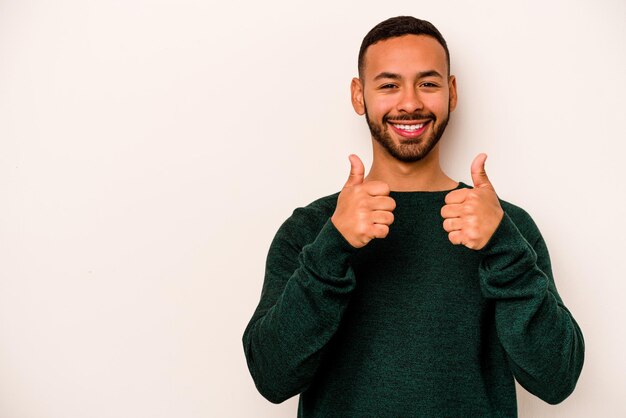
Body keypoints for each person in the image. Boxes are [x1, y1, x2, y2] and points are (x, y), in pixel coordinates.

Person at [242, 16, 584, 417]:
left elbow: (557, 379)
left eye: (428, 83)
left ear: (451, 92)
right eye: (389, 85)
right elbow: (272, 378)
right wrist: (332, 247)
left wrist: (505, 249)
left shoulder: (503, 226)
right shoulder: (312, 229)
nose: (410, 103)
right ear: (359, 95)